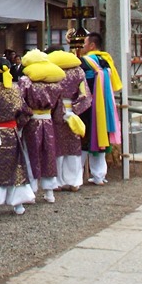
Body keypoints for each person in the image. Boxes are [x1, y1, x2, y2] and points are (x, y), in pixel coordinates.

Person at [0, 56, 34, 215]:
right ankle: (18, 204)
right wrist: (17, 125)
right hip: (12, 133)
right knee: (15, 167)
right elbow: (25, 112)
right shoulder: (16, 89)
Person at [18, 49, 65, 201]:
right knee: (49, 154)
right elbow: (59, 108)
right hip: (48, 121)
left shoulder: (26, 81)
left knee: (30, 154)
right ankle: (49, 191)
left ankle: (31, 191)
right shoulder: (55, 83)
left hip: (32, 122)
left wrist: (20, 121)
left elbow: (20, 103)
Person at [79, 33, 124, 184]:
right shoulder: (106, 60)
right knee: (100, 139)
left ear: (92, 45)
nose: (83, 46)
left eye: (85, 43)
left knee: (84, 140)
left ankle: (76, 177)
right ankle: (99, 176)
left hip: (88, 106)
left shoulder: (85, 62)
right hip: (104, 107)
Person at [48, 48, 93, 191]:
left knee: (57, 148)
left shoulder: (51, 71)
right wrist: (74, 110)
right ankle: (74, 181)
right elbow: (85, 95)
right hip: (72, 112)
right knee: (73, 147)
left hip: (54, 112)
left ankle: (57, 182)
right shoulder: (78, 71)